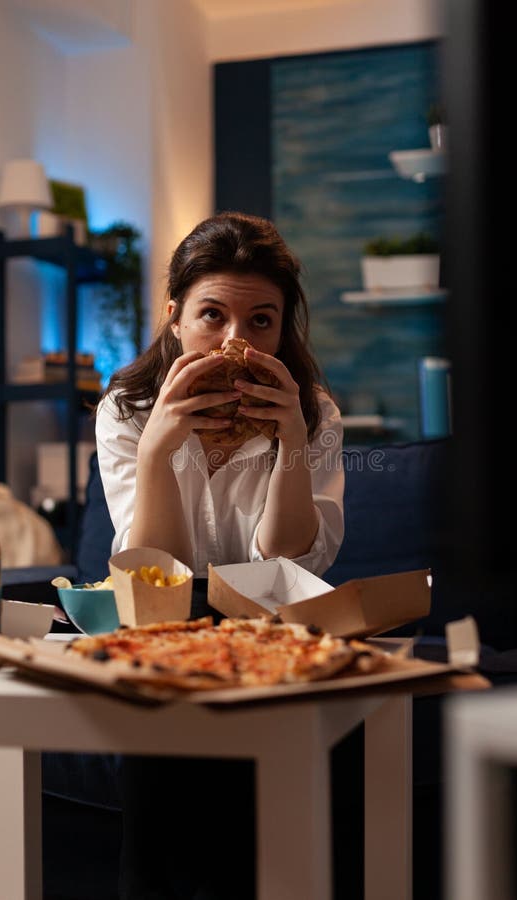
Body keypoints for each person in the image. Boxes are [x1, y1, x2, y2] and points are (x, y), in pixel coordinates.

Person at [94, 210, 345, 899]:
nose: (236, 342)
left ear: (282, 326)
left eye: (260, 321)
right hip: (167, 625)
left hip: (271, 626)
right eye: (212, 316)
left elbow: (288, 559)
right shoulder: (127, 408)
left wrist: (292, 435)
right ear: (174, 316)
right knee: (159, 708)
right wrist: (157, 448)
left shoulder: (314, 410)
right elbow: (157, 573)